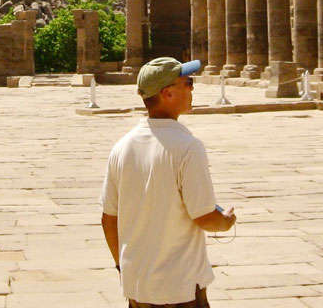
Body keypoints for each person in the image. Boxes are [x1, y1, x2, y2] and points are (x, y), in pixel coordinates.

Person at [100, 57, 236, 308]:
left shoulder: (121, 147)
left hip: (137, 288)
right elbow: (205, 217)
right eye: (188, 82)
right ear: (167, 93)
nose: (192, 89)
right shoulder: (188, 148)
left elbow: (109, 219)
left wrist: (122, 266)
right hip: (179, 288)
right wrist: (226, 221)